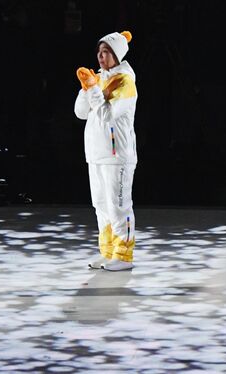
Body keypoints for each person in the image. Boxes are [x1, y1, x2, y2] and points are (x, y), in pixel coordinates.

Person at [74, 31, 139, 271]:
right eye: (99, 52)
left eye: (106, 52)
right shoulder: (99, 78)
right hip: (95, 153)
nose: (101, 57)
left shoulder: (125, 82)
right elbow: (81, 113)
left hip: (117, 156)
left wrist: (93, 89)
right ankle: (108, 251)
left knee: (118, 205)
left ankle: (123, 255)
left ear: (117, 54)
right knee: (100, 205)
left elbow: (106, 115)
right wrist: (86, 88)